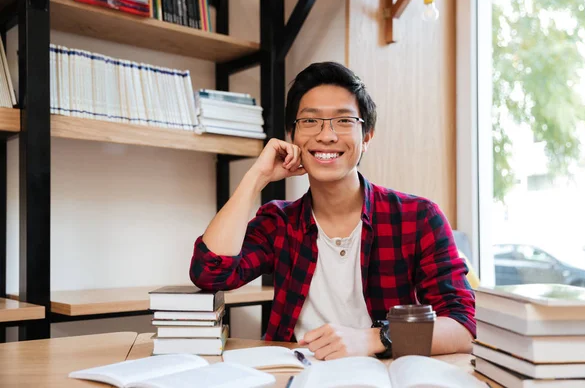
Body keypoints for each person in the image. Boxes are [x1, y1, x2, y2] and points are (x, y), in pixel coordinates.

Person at [190, 62, 475, 360]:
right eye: (310, 121)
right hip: (294, 374)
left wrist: (375, 339)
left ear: (367, 137)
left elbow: (462, 325)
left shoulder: (418, 218)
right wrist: (256, 177)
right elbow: (210, 272)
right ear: (292, 135)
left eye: (343, 121)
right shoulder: (279, 222)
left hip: (383, 375)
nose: (326, 136)